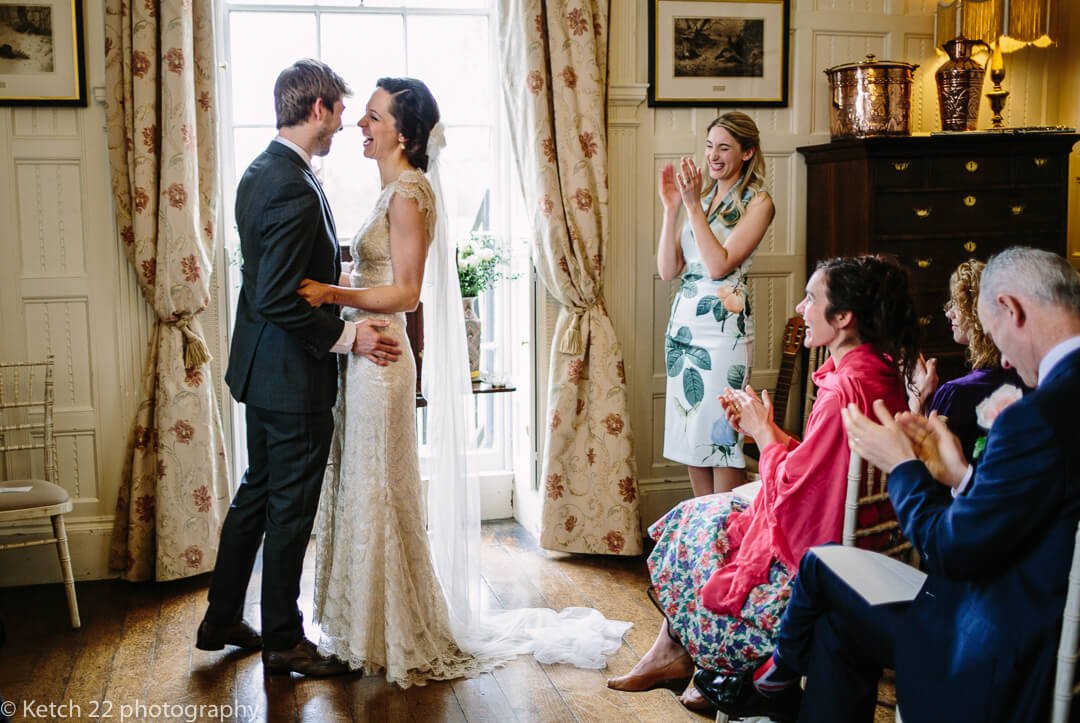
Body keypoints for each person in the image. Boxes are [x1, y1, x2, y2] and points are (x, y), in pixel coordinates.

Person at [743, 247, 1080, 723]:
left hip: (994, 643)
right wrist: (961, 475)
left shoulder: (1035, 418)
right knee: (837, 621)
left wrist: (903, 467)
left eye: (994, 330)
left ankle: (771, 682)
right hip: (1035, 610)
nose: (1001, 356)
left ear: (1012, 308)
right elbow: (1041, 505)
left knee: (831, 612)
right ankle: (776, 684)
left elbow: (951, 550)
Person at [607, 256, 919, 713]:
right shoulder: (879, 373)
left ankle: (697, 664)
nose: (799, 306)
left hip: (820, 562)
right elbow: (830, 470)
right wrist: (767, 429)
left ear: (844, 318)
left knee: (693, 520)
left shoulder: (842, 391)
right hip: (869, 544)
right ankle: (682, 663)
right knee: (711, 510)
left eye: (811, 298)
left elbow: (801, 499)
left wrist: (762, 433)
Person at [194, 59, 401, 678]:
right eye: (339, 110)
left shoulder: (267, 170)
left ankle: (221, 617)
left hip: (264, 370)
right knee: (288, 505)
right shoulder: (287, 180)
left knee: (258, 495)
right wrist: (350, 339)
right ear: (317, 110)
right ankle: (284, 640)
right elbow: (280, 295)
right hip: (289, 374)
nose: (344, 123)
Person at [658, 111, 775, 495]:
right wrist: (673, 207)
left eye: (724, 147)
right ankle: (704, 538)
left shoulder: (759, 203)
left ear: (747, 152)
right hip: (683, 331)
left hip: (724, 335)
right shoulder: (701, 197)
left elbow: (718, 265)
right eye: (710, 146)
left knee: (722, 439)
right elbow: (668, 269)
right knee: (693, 435)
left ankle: (728, 541)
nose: (714, 156)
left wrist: (692, 208)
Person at [908, 259, 1025, 460]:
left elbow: (930, 462)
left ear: (978, 312)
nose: (948, 312)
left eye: (957, 304)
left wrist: (917, 403)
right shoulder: (1030, 376)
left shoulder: (956, 393)